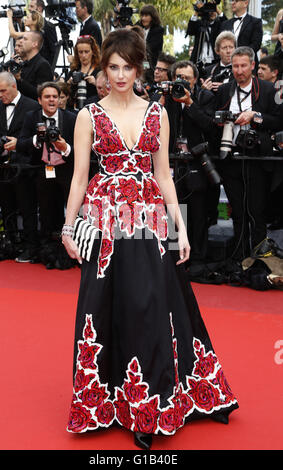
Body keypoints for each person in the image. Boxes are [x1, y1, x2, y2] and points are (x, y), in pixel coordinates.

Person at [62, 28, 238, 450]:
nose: (119, 75)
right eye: (112, 67)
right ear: (104, 69)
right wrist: (69, 227)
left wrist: (179, 227)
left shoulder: (157, 113)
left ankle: (153, 404)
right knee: (104, 307)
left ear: (138, 68)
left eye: (127, 67)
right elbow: (80, 177)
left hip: (149, 220)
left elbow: (163, 176)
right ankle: (105, 400)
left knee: (153, 305)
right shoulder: (88, 115)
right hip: (105, 223)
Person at [214, 46, 281, 263]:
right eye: (235, 66)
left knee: (257, 213)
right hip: (232, 158)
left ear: (253, 65)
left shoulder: (268, 89)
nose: (239, 70)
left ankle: (261, 262)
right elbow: (214, 119)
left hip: (257, 160)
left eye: (244, 65)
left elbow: (278, 121)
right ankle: (239, 260)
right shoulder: (225, 90)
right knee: (239, 214)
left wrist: (255, 116)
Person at [164, 60, 218, 281]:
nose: (182, 81)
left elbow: (209, 125)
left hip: (197, 162)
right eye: (178, 77)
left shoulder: (205, 98)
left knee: (197, 213)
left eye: (186, 78)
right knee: (175, 212)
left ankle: (198, 260)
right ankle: (175, 258)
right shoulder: (169, 98)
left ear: (195, 79)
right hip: (174, 162)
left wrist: (189, 103)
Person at [0, 71, 40, 261]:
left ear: (14, 86)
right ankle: (10, 243)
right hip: (1, 168)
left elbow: (37, 138)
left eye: (2, 91)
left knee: (27, 208)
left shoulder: (32, 105)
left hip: (24, 167)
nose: (0, 95)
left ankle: (31, 247)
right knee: (6, 208)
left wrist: (20, 143)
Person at [17, 82, 76, 243]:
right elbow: (20, 144)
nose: (51, 100)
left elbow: (82, 150)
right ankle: (46, 248)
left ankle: (71, 247)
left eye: (55, 97)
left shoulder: (71, 118)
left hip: (66, 170)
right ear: (39, 100)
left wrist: (65, 147)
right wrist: (37, 139)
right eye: (47, 97)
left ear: (59, 99)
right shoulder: (31, 117)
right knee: (45, 211)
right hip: (43, 170)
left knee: (71, 211)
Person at [220, 0, 263, 64]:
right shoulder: (225, 24)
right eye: (232, 1)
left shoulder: (255, 22)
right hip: (228, 65)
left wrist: (239, 55)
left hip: (247, 64)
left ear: (246, 3)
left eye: (236, 1)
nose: (233, 3)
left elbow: (256, 45)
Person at [15, 31, 53, 100]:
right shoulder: (23, 64)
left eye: (25, 39)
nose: (21, 41)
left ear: (34, 44)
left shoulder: (43, 65)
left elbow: (41, 93)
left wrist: (19, 80)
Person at [186, 1, 227, 65]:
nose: (212, 13)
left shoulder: (218, 25)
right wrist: (197, 10)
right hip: (198, 60)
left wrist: (216, 9)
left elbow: (227, 25)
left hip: (215, 60)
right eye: (210, 11)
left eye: (213, 11)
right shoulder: (199, 24)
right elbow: (190, 31)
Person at [69, 35, 101, 110]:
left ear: (93, 52)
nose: (83, 55)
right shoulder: (74, 70)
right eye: (80, 52)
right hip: (76, 109)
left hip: (95, 108)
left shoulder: (99, 70)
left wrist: (96, 83)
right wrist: (69, 83)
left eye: (86, 52)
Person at [28, 0, 58, 69]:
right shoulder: (31, 27)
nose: (29, 9)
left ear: (39, 8)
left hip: (44, 68)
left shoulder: (48, 26)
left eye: (32, 6)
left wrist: (49, 69)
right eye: (29, 6)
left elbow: (53, 51)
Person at [136, 4, 164, 70]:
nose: (143, 18)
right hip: (137, 62)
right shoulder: (138, 25)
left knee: (146, 71)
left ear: (152, 17)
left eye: (146, 16)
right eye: (142, 15)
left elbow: (150, 48)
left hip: (150, 63)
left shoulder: (158, 30)